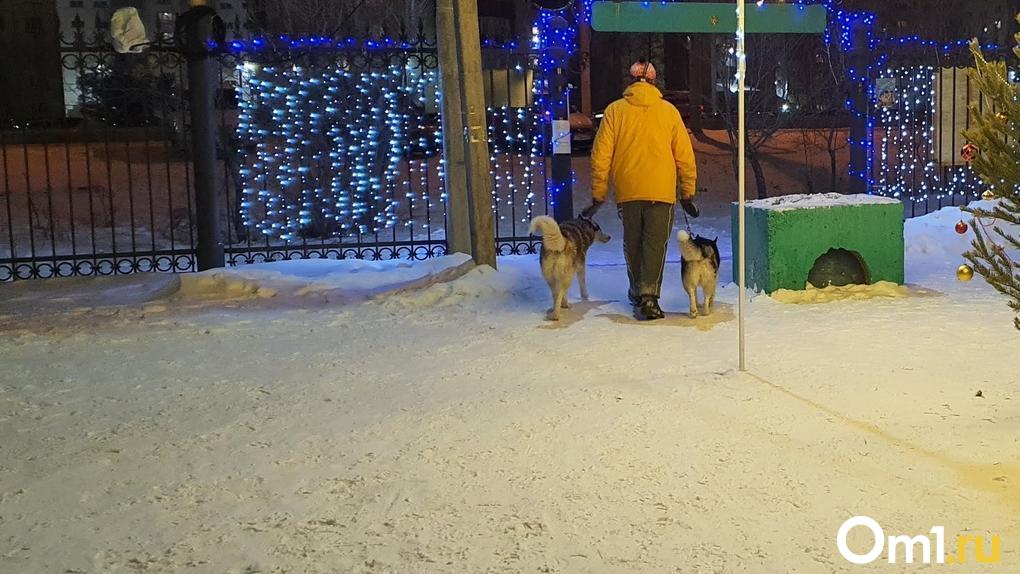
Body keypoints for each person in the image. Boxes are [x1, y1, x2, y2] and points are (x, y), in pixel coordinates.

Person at [589, 60, 699, 320]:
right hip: (661, 191)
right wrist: (687, 192)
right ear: (654, 81)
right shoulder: (669, 112)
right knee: (655, 245)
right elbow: (685, 156)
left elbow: (600, 155)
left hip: (628, 191)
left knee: (633, 242)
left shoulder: (615, 111)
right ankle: (649, 296)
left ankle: (638, 290)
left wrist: (598, 192)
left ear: (631, 81)